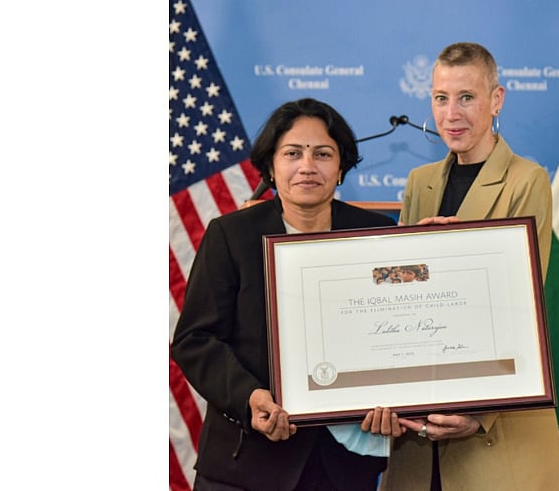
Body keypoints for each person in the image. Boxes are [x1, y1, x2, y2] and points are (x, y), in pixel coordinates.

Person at [171, 97, 403, 491]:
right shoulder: (230, 235)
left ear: (341, 168)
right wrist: (249, 397)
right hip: (244, 465)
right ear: (271, 167)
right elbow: (195, 339)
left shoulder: (376, 234)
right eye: (293, 153)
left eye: (323, 154)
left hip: (341, 468)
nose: (307, 166)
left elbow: (398, 332)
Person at [378, 42, 559, 490]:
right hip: (417, 431)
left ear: (496, 99)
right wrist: (405, 265)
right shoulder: (419, 182)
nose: (452, 114)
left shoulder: (526, 180)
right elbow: (398, 301)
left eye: (466, 97)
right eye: (441, 98)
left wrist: (479, 413)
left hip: (494, 427)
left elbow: (519, 306)